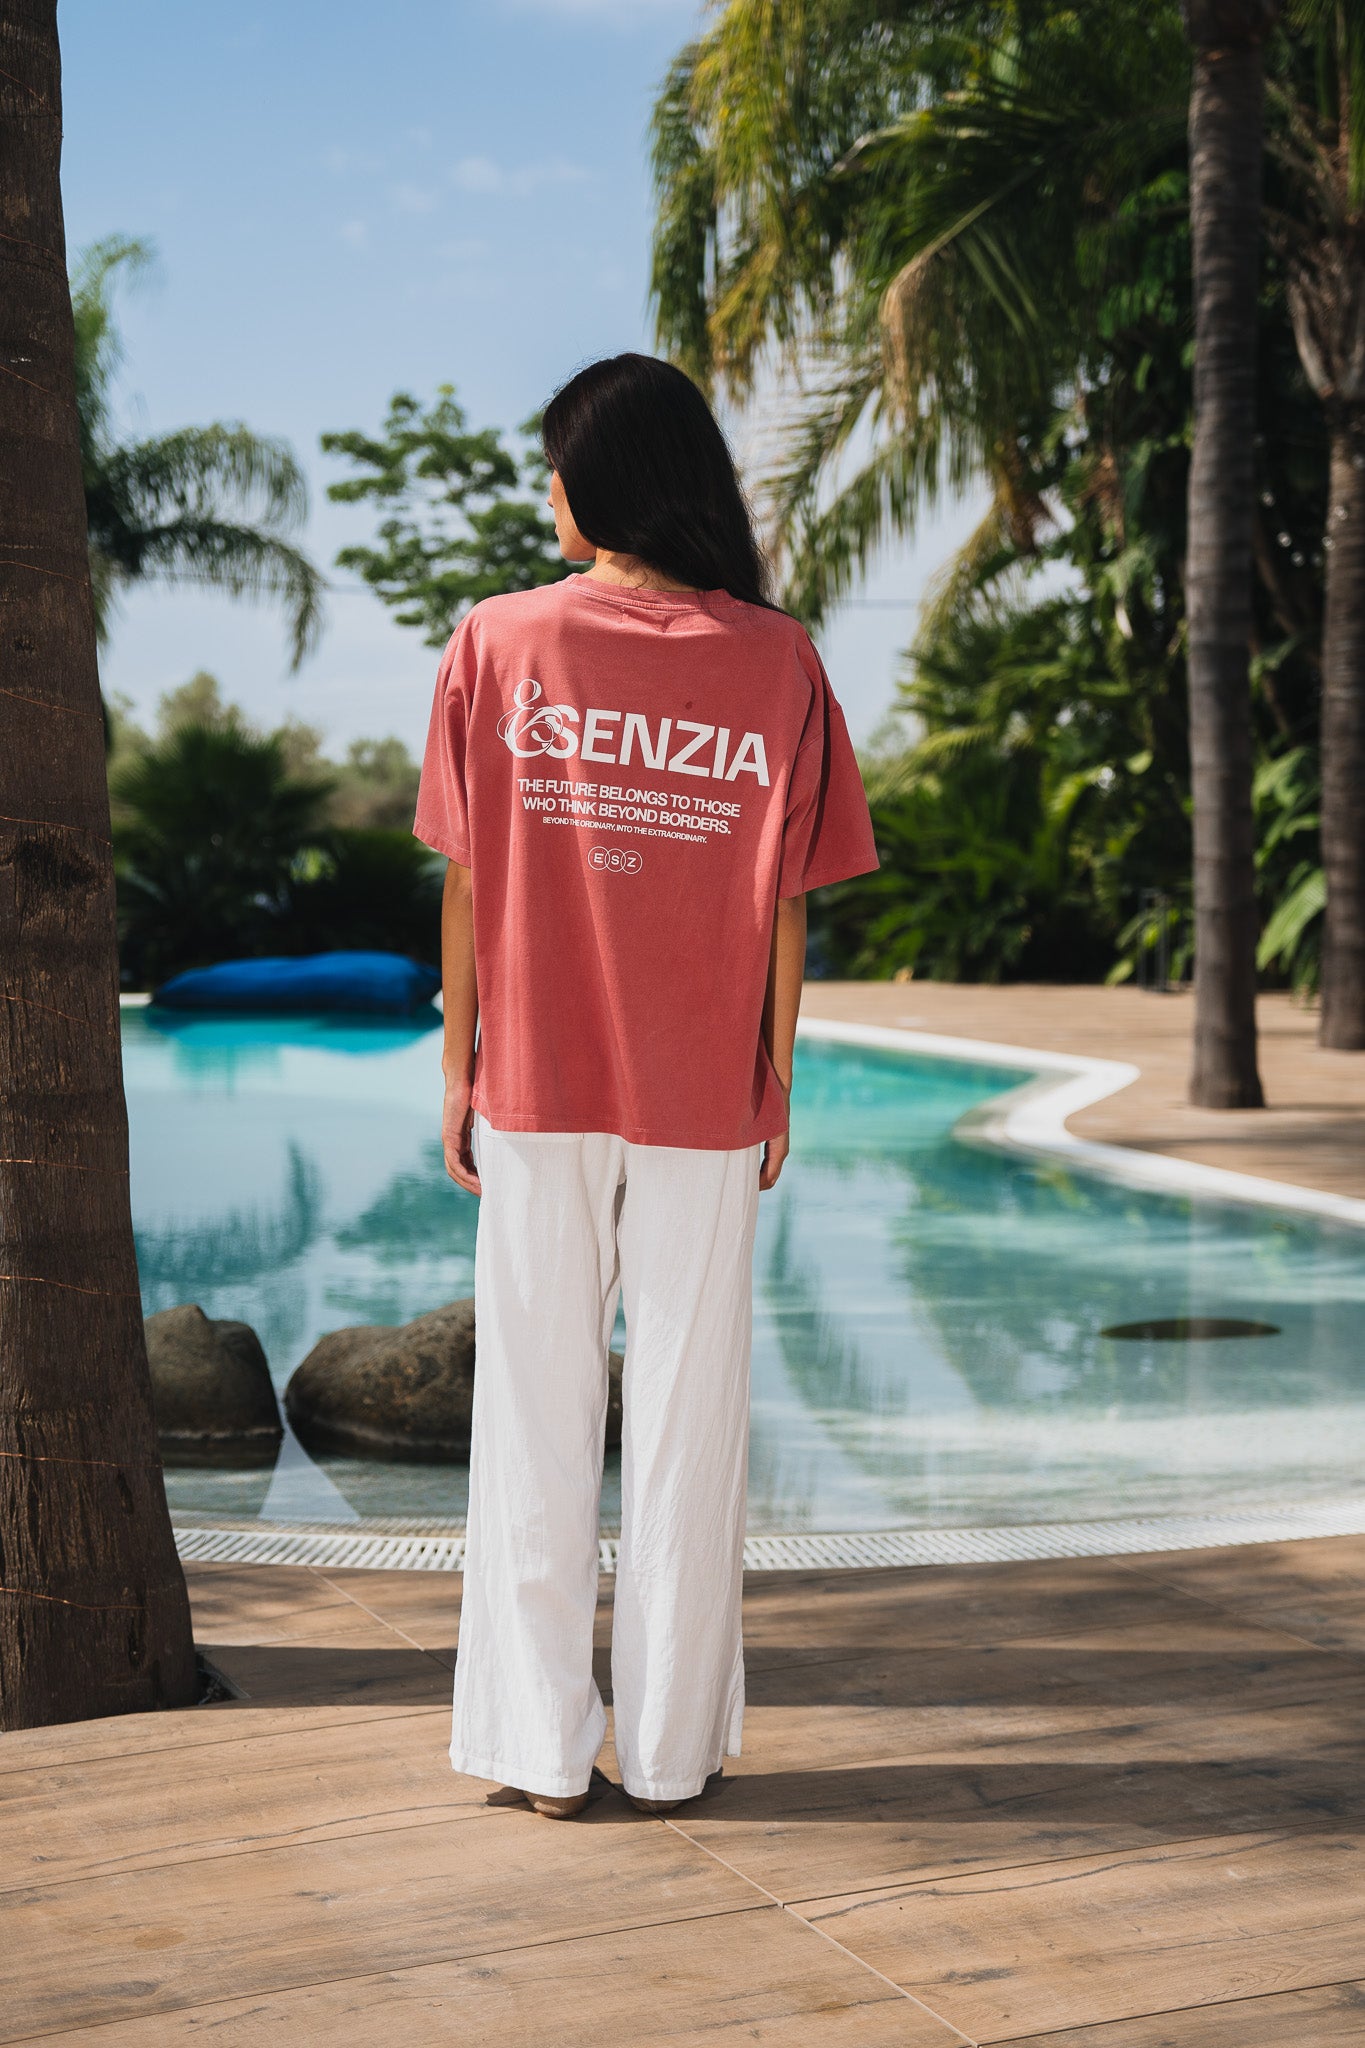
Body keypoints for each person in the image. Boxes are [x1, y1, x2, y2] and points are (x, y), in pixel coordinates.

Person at [413, 352, 876, 1820]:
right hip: (702, 1096)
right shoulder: (779, 661)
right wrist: (776, 1075)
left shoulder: (497, 639)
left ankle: (540, 1754)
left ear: (595, 485)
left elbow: (467, 879)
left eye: (554, 468)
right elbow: (787, 905)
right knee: (687, 1423)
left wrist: (458, 1064)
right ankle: (671, 1754)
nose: (545, 493)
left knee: (532, 1420)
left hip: (535, 1081)